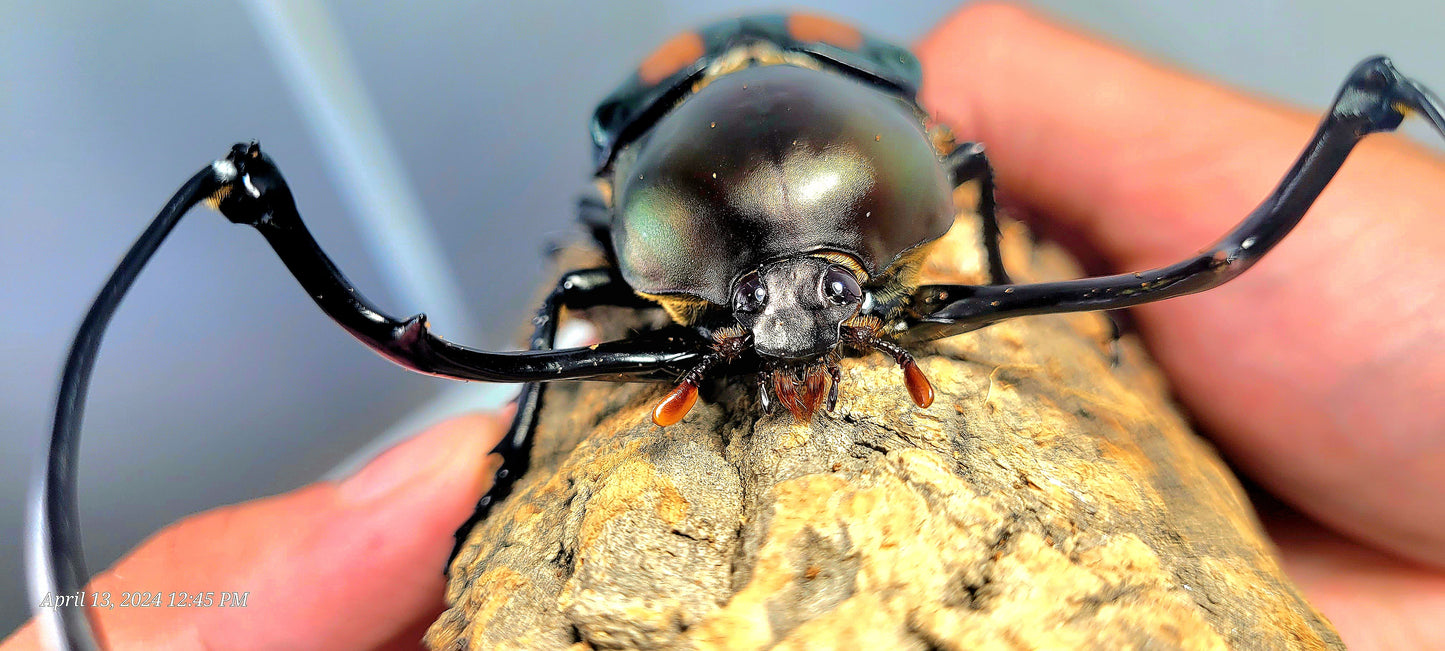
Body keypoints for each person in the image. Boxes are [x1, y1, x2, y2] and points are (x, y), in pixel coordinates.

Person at [6, 4, 1442, 649]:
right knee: (567, 301)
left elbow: (976, 174)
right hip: (681, 155)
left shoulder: (925, 160)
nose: (800, 336)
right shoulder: (647, 224)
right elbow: (586, 287)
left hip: (823, 124)